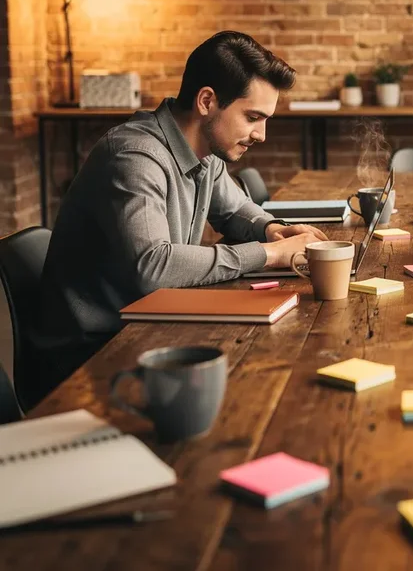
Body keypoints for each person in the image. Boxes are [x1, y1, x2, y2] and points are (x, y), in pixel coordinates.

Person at [35, 31, 326, 399]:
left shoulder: (205, 152)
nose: (262, 134)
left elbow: (235, 209)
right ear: (207, 101)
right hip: (92, 358)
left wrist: (272, 230)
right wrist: (269, 256)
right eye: (253, 116)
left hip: (149, 325)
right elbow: (152, 267)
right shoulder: (135, 156)